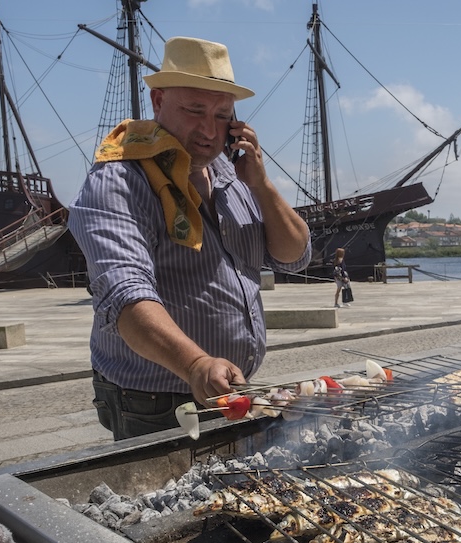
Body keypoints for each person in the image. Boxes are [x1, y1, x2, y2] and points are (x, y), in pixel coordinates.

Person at [68, 36, 311, 440]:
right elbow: (124, 296)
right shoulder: (121, 180)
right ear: (158, 100)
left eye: (222, 115)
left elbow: (295, 256)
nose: (209, 130)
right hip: (156, 400)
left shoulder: (231, 173)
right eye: (195, 110)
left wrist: (262, 184)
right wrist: (196, 364)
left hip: (230, 388)